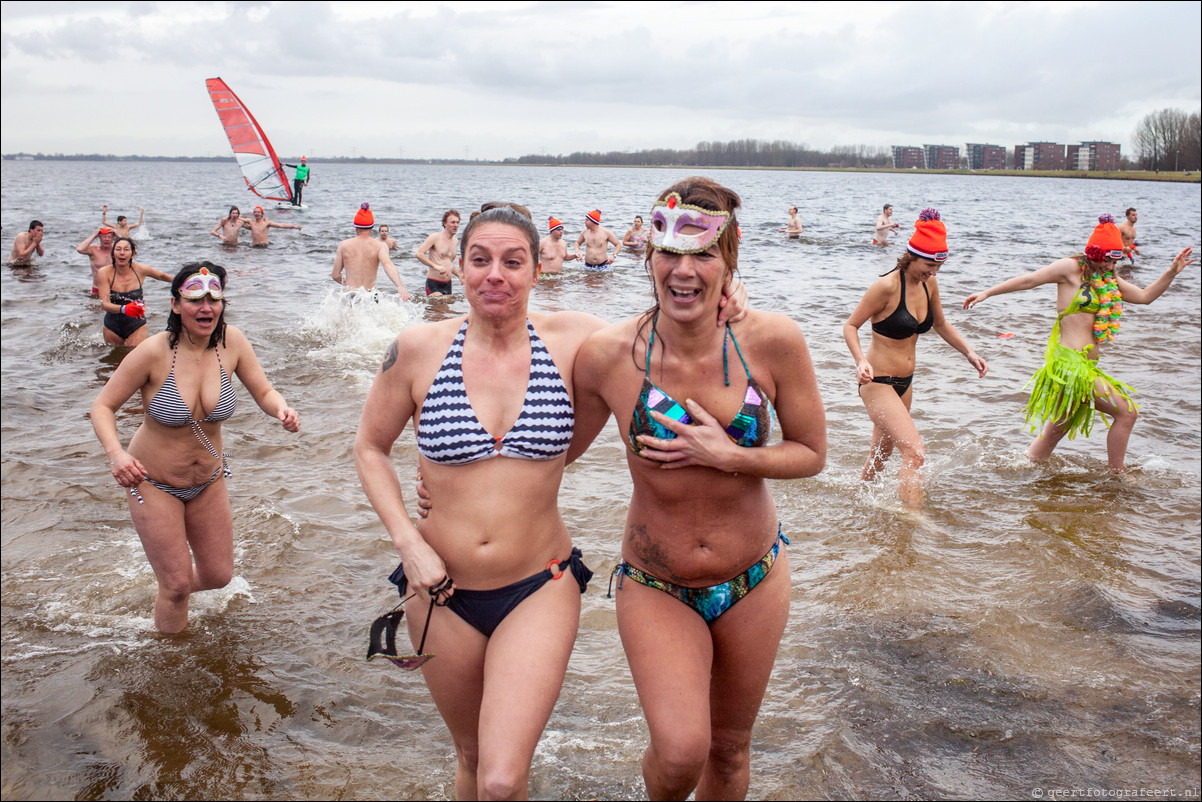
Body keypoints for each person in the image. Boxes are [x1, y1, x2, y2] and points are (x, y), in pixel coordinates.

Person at [359, 201, 748, 799]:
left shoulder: (577, 338)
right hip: (436, 586)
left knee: (499, 778)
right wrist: (408, 543)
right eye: (480, 260)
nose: (496, 274)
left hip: (537, 583)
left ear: (538, 269)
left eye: (513, 262)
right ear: (458, 267)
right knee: (470, 756)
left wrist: (733, 294)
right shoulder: (417, 348)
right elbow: (370, 448)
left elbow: (674, 312)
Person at [569, 177, 826, 800]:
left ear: (729, 261)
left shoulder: (771, 340)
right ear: (648, 257)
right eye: (669, 251)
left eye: (703, 253)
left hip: (754, 577)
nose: (684, 269)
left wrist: (731, 455)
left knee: (731, 754)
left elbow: (812, 453)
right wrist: (448, 482)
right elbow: (554, 454)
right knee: (682, 754)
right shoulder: (607, 354)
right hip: (657, 582)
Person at [91, 262, 300, 633]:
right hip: (152, 482)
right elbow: (102, 407)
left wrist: (281, 409)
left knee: (219, 576)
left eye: (213, 299)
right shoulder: (152, 353)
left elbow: (264, 391)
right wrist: (117, 455)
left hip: (208, 479)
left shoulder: (232, 342)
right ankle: (169, 656)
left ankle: (168, 584)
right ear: (175, 305)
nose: (206, 308)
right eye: (196, 299)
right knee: (177, 586)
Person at [963, 214, 1193, 473]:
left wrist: (1171, 272)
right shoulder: (1069, 269)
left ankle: (1014, 470)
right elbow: (1030, 279)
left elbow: (1144, 296)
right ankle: (1117, 476)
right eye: (1105, 258)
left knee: (1054, 433)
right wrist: (987, 292)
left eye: (1114, 260)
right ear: (1093, 252)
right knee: (1127, 413)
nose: (1108, 264)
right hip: (1070, 366)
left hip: (1086, 365)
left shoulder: (1108, 279)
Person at [843, 209, 988, 508]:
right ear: (911, 256)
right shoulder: (885, 287)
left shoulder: (928, 284)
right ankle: (914, 522)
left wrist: (970, 353)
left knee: (880, 457)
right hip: (877, 382)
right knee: (915, 452)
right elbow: (850, 326)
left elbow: (941, 324)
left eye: (939, 266)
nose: (933, 272)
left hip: (905, 384)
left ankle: (856, 505)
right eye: (928, 265)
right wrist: (860, 361)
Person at [96, 237, 174, 347]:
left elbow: (161, 276)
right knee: (114, 360)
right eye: (118, 249)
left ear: (133, 254)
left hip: (136, 323)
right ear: (113, 253)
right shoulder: (104, 272)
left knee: (137, 356)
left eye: (126, 249)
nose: (122, 253)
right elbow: (105, 304)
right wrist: (124, 309)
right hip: (112, 325)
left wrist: (184, 283)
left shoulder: (141, 270)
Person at [332, 203, 411, 300]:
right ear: (372, 227)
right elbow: (388, 265)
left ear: (356, 227)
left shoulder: (344, 245)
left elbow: (335, 275)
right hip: (370, 295)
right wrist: (400, 286)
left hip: (351, 294)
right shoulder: (380, 246)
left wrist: (347, 283)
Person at [415, 210, 462, 296]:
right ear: (445, 223)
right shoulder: (435, 237)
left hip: (448, 284)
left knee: (447, 309)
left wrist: (459, 275)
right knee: (438, 306)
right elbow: (419, 254)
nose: (456, 225)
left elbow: (449, 263)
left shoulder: (455, 241)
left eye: (457, 222)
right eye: (452, 222)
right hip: (433, 283)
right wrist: (436, 266)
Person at [76, 227, 117, 295]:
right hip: (97, 288)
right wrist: (94, 235)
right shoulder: (93, 250)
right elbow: (80, 249)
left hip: (115, 288)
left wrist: (119, 235)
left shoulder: (117, 250)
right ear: (99, 238)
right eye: (104, 237)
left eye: (109, 237)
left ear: (113, 239)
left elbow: (133, 251)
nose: (107, 239)